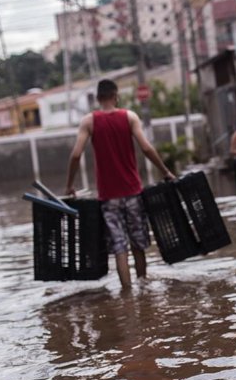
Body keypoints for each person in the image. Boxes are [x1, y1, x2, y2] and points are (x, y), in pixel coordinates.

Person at [65, 79, 176, 289]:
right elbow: (146, 148)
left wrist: (69, 185)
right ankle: (143, 286)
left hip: (108, 196)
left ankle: (127, 294)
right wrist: (166, 171)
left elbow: (76, 154)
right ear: (116, 96)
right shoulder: (129, 117)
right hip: (133, 192)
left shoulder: (89, 121)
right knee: (138, 244)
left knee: (119, 247)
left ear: (98, 99)